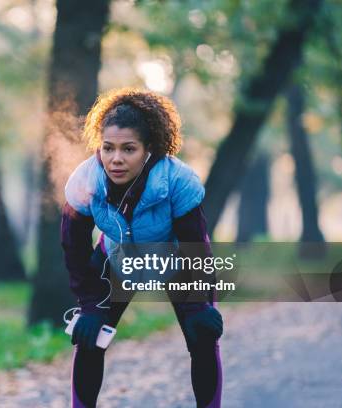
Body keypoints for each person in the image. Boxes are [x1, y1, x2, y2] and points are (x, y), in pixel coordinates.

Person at [61, 88, 223, 408]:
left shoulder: (178, 181)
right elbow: (73, 247)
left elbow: (196, 246)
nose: (115, 159)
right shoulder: (85, 182)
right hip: (116, 260)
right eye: (108, 148)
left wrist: (199, 305)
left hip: (178, 263)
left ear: (150, 150)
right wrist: (90, 303)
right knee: (89, 338)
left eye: (128, 149)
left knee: (203, 335)